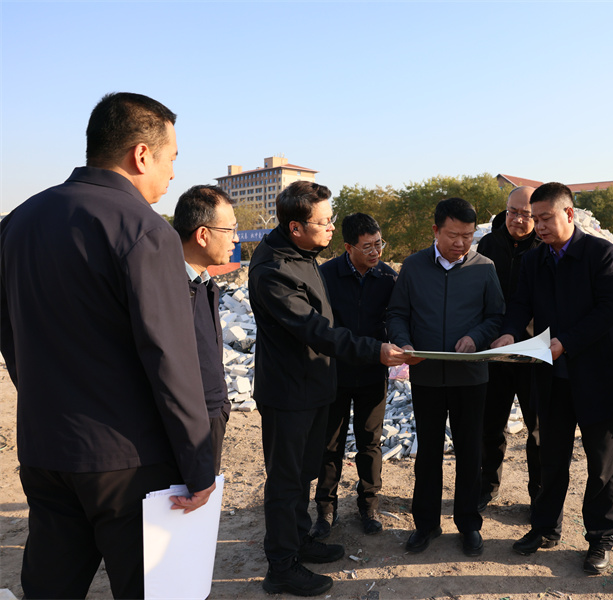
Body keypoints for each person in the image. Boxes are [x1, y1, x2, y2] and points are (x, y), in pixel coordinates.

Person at [0, 92, 215, 599]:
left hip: (45, 448)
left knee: (50, 587)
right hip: (127, 462)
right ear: (141, 154)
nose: (172, 174)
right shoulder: (144, 230)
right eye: (171, 159)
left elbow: (9, 331)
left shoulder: (17, 223)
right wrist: (199, 464)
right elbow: (169, 358)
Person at [248, 181, 407, 597]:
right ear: (296, 227)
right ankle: (281, 566)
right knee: (285, 482)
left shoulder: (302, 255)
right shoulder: (273, 269)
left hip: (315, 385)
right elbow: (317, 330)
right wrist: (375, 351)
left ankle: (300, 540)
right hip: (288, 393)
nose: (332, 228)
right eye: (324, 222)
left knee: (304, 474)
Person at [492, 182, 613, 575]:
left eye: (544, 218)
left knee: (601, 464)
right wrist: (510, 332)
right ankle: (544, 528)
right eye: (534, 219)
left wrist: (565, 343)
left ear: (569, 214)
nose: (537, 226)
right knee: (551, 457)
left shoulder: (599, 253)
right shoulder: (534, 260)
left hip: (597, 375)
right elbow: (520, 303)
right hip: (552, 377)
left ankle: (600, 538)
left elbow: (610, 307)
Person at [386, 197, 505, 557]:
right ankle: (426, 524)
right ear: (436, 230)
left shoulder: (484, 268)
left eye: (467, 236)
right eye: (453, 235)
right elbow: (397, 313)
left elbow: (496, 316)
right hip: (427, 376)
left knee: (470, 452)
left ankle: (469, 524)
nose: (461, 243)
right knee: (428, 453)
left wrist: (476, 337)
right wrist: (405, 343)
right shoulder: (414, 266)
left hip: (470, 377)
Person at [309, 213, 398, 539]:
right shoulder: (326, 276)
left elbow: (396, 320)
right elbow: (321, 328)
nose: (376, 252)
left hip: (373, 375)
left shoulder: (388, 278)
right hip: (335, 374)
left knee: (369, 444)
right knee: (330, 445)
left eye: (379, 244)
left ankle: (368, 505)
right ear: (348, 247)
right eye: (367, 247)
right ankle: (325, 509)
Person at [475, 186, 543, 512]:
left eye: (526, 214)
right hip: (494, 351)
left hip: (533, 353)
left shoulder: (545, 246)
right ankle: (486, 487)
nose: (517, 219)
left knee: (538, 431)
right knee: (490, 425)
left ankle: (539, 497)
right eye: (513, 212)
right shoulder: (489, 244)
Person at [173, 184, 239, 474]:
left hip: (212, 414)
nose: (236, 239)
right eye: (230, 230)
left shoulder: (205, 283)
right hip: (186, 424)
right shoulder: (167, 286)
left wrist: (220, 405)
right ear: (202, 235)